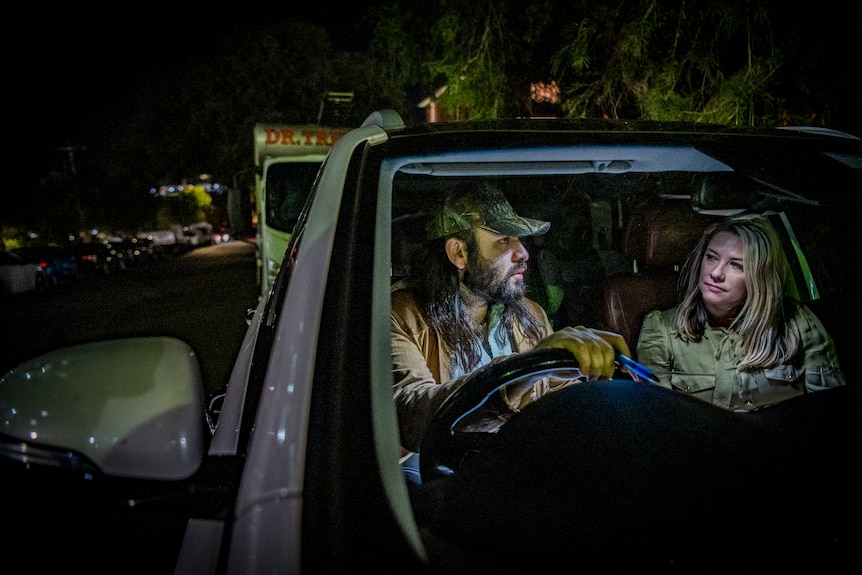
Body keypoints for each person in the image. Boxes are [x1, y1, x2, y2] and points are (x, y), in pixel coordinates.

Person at [391, 182, 631, 471]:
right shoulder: (400, 314)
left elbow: (556, 396)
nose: (524, 253)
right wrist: (518, 372)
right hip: (440, 476)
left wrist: (600, 397)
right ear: (459, 254)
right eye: (504, 239)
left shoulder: (528, 314)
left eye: (520, 239)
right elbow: (411, 415)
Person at [636, 216, 845, 411]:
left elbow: (828, 415)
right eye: (711, 257)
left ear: (759, 277)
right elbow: (660, 421)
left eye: (735, 265)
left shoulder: (798, 323)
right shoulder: (662, 330)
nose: (716, 273)